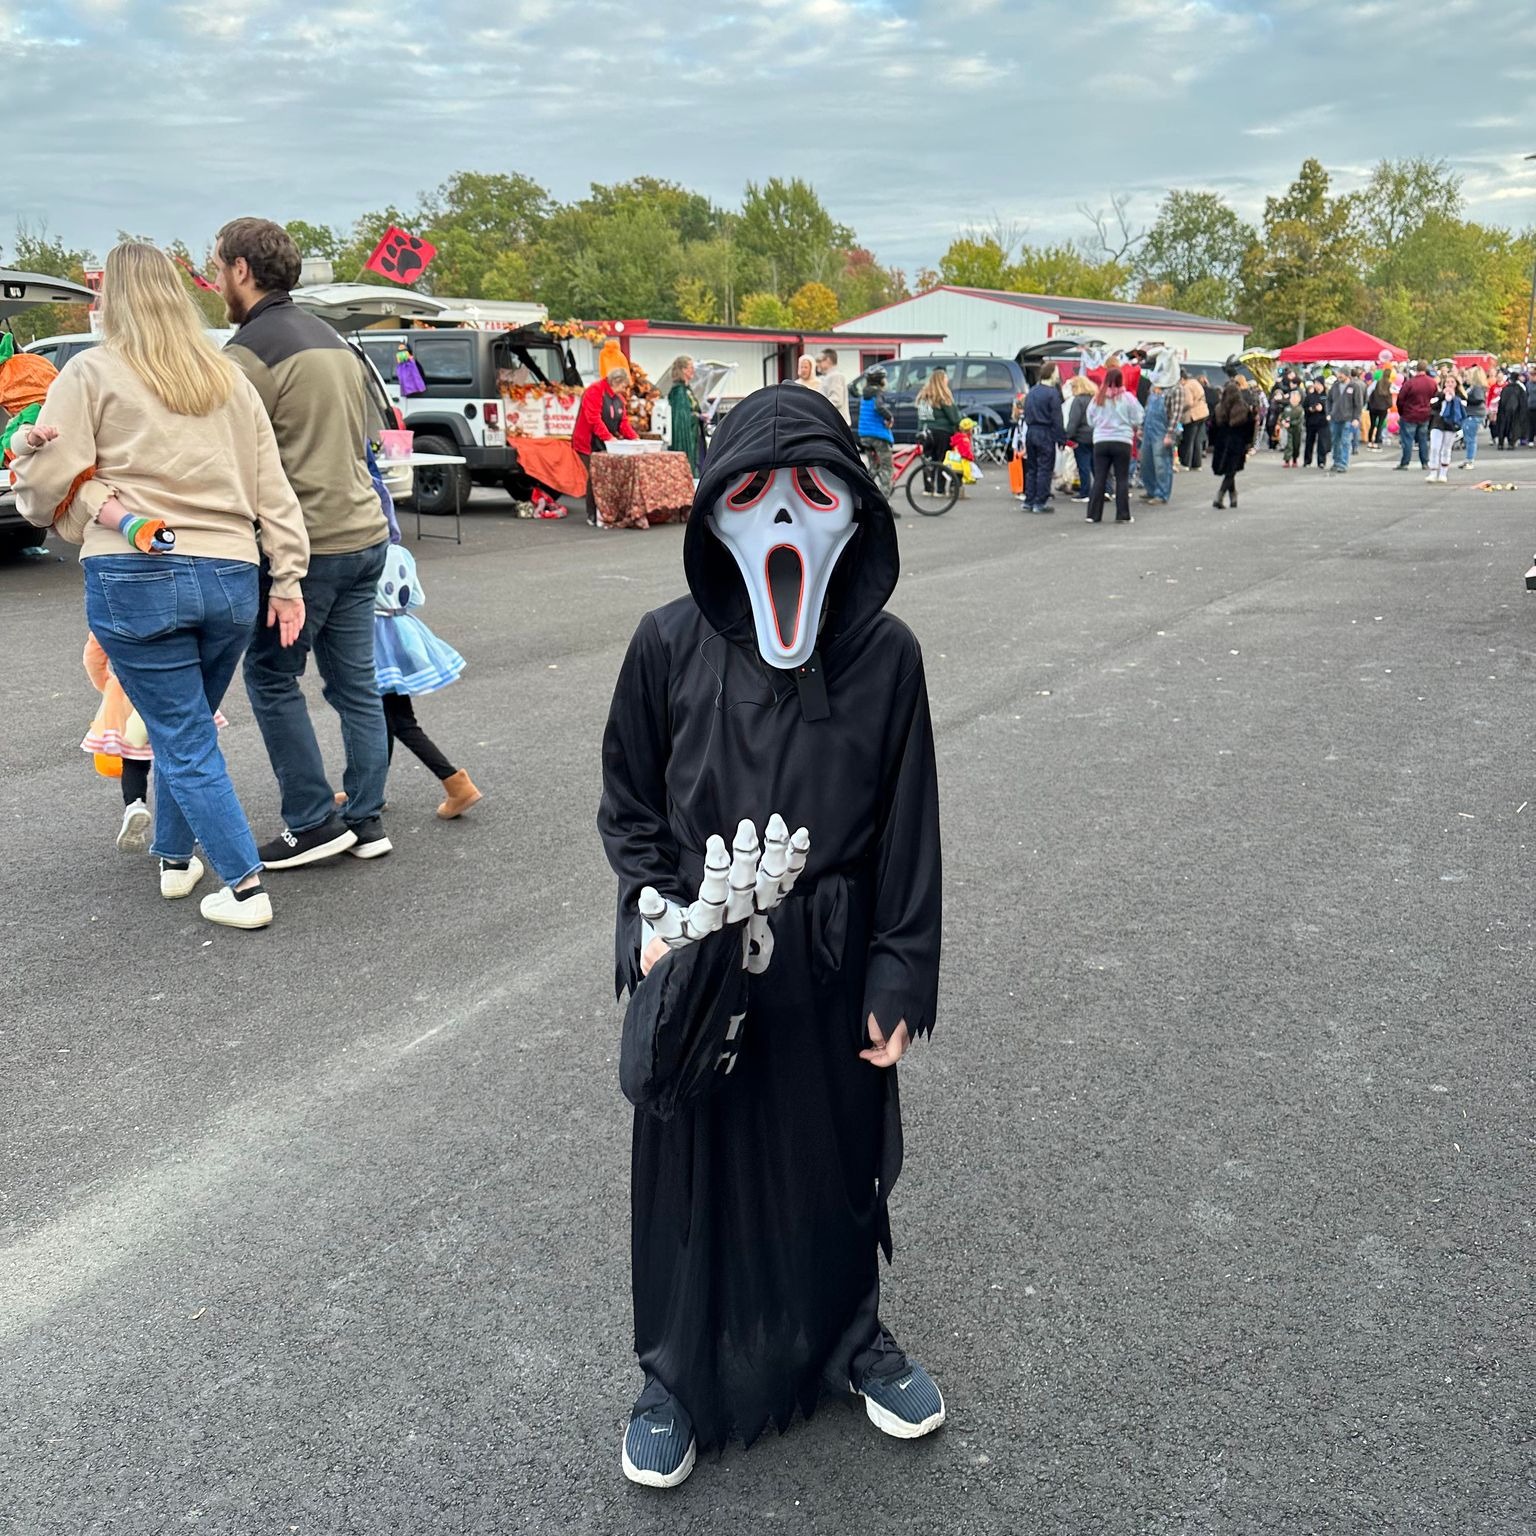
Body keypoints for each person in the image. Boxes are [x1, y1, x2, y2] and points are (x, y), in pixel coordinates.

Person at [598, 384, 944, 1488]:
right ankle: (673, 1372)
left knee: (834, 1154)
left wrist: (899, 970)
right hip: (704, 946)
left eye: (815, 491)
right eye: (754, 493)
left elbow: (908, 827)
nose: (786, 520)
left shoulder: (888, 659)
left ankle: (850, 1337)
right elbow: (629, 807)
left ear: (857, 506)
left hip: (832, 954)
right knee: (692, 1163)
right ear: (711, 510)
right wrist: (653, 925)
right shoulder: (667, 645)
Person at [13, 239, 309, 930]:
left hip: (136, 571)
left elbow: (48, 479)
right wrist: (289, 576)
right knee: (189, 726)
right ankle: (176, 859)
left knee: (181, 734)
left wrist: (38, 497)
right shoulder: (227, 377)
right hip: (235, 574)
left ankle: (245, 888)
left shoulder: (91, 373)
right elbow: (275, 490)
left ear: (109, 298)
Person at [212, 217, 393, 869]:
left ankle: (313, 820)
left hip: (306, 545)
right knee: (355, 683)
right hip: (365, 533)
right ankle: (366, 820)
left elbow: (229, 457)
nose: (214, 282)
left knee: (270, 673)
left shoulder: (247, 353)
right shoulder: (335, 339)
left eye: (217, 268)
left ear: (240, 269)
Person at [368, 542, 481, 819]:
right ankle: (370, 791)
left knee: (397, 720)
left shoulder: (365, 553)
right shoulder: (400, 553)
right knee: (389, 717)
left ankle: (455, 782)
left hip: (373, 638)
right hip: (402, 631)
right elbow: (416, 597)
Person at [574, 367, 640, 525]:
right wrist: (609, 438)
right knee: (594, 476)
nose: (625, 390)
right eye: (624, 386)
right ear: (616, 382)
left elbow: (623, 422)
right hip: (588, 442)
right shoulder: (594, 391)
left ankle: (607, 511)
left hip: (606, 443)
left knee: (606, 476)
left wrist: (634, 438)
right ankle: (592, 514)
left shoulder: (618, 398)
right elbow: (593, 419)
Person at [1084, 366, 1143, 524]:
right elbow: (1138, 417)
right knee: (1122, 478)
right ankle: (1123, 515)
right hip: (1122, 441)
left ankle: (1093, 515)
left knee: (1100, 478)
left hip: (1101, 441)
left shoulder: (1098, 397)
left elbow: (1090, 419)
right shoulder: (1128, 398)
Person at [1020, 363, 1066, 514]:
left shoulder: (1032, 391)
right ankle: (1040, 502)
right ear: (1052, 374)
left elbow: (1025, 411)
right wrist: (1061, 439)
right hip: (1045, 432)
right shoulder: (1052, 394)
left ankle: (1029, 500)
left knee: (1032, 468)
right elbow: (1057, 418)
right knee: (1045, 468)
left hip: (1031, 431)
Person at [1209, 372, 1253, 508]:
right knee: (1231, 470)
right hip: (1237, 442)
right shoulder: (1243, 408)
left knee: (1229, 469)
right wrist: (1248, 443)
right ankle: (1220, 495)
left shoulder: (1219, 408)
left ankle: (1233, 496)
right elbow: (1249, 427)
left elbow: (1213, 427)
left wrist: (1212, 442)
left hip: (1222, 442)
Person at [856, 364, 896, 502]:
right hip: (878, 436)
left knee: (873, 467)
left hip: (864, 435)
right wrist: (889, 417)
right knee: (887, 468)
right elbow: (879, 407)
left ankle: (862, 494)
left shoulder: (864, 393)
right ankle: (884, 503)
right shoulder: (878, 392)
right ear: (881, 380)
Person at [1138, 380, 1178, 504]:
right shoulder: (1152, 389)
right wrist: (1141, 427)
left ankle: (1161, 493)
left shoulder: (1175, 389)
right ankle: (1150, 490)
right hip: (1148, 430)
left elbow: (1176, 414)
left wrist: (1170, 434)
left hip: (1162, 431)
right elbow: (1146, 409)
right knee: (1146, 462)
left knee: (1161, 463)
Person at [1394, 363, 1437, 470]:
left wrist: (1401, 412)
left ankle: (1405, 462)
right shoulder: (1432, 382)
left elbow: (1400, 399)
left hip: (1410, 414)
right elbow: (1435, 397)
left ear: (1416, 369)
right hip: (1425, 413)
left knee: (1408, 440)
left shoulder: (1410, 383)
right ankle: (1425, 462)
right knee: (1423, 439)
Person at [665, 355, 702, 476]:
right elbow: (681, 419)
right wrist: (697, 416)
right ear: (684, 370)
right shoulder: (679, 392)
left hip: (693, 434)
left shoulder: (687, 389)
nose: (693, 370)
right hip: (686, 435)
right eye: (691, 367)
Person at [1426, 374, 1466, 484]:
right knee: (1434, 448)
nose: (1449, 384)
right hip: (1437, 423)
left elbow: (1464, 406)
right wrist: (1442, 397)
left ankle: (1443, 473)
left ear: (1456, 384)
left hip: (1451, 425)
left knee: (1446, 449)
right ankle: (1433, 472)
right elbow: (1432, 405)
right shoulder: (1439, 394)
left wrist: (1454, 399)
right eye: (1447, 382)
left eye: (1452, 382)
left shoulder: (1460, 396)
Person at [914, 368, 961, 461]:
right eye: (946, 379)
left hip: (926, 433)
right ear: (941, 381)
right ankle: (940, 475)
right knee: (942, 462)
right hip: (942, 434)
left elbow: (923, 417)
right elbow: (954, 419)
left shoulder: (924, 397)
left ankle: (929, 475)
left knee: (929, 462)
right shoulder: (943, 396)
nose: (948, 381)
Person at [1327, 367, 1366, 474]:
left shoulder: (1355, 386)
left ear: (1346, 375)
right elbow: (1329, 400)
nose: (1339, 376)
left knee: (1345, 441)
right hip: (1335, 417)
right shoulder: (1334, 386)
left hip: (1348, 419)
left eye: (1341, 374)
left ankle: (1343, 463)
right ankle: (1336, 461)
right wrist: (1329, 413)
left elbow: (1359, 404)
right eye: (1338, 374)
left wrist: (1356, 418)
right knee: (1335, 441)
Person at [1064, 375, 1096, 502]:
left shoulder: (1078, 401)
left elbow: (1073, 421)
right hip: (1095, 436)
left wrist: (1068, 436)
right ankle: (1104, 489)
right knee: (1096, 466)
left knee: (1083, 466)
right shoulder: (1094, 399)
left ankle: (1085, 492)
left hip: (1081, 437)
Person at [1178, 369, 1209, 470]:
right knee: (1197, 440)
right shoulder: (1195, 382)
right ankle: (1197, 464)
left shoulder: (1186, 386)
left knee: (1189, 440)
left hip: (1193, 415)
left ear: (1182, 379)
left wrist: (1180, 410)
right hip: (1203, 412)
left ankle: (1186, 463)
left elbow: (1188, 402)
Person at [1460, 366, 1488, 469]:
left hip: (1474, 414)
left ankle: (1470, 460)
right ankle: (1468, 458)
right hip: (1472, 414)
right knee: (1469, 438)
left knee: (1470, 438)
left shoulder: (1477, 388)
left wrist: (1466, 401)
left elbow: (1479, 400)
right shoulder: (1473, 387)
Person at [815, 348, 850, 425]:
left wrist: (818, 406)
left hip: (836, 424)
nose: (817, 364)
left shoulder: (835, 376)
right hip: (834, 423)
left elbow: (836, 400)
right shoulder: (829, 376)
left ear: (828, 360)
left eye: (820, 361)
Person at [1302, 378, 1331, 469]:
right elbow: (1305, 407)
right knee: (1309, 442)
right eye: (1315, 383)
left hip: (1323, 422)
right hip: (1311, 422)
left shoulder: (1326, 396)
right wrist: (1310, 409)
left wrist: (1322, 409)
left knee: (1322, 443)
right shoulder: (1310, 396)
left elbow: (1330, 408)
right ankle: (1307, 461)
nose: (1316, 385)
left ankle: (1321, 461)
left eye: (1318, 383)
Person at [1366, 367, 1393, 449]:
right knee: (1380, 425)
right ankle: (1376, 442)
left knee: (1372, 424)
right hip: (1383, 407)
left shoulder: (1376, 383)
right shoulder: (1390, 384)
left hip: (1374, 406)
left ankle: (1370, 441)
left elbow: (1369, 391)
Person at [1280, 389, 1304, 467]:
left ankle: (1295, 459)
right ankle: (1287, 460)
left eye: (1295, 398)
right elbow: (1282, 417)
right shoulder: (1287, 408)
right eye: (1292, 397)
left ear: (1299, 399)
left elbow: (1300, 420)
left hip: (1297, 430)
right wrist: (1282, 421)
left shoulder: (1300, 409)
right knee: (1288, 444)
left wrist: (1290, 424)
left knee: (1296, 445)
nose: (1293, 399)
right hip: (1288, 430)